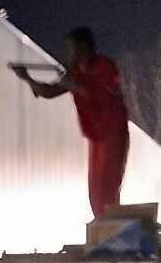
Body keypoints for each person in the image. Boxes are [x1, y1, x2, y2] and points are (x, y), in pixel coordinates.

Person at [10, 26, 131, 219]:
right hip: (97, 138)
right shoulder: (75, 73)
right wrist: (27, 78)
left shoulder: (104, 66)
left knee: (106, 189)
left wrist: (74, 85)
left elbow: (101, 95)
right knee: (96, 193)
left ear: (83, 47)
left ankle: (112, 228)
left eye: (70, 48)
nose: (67, 53)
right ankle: (106, 226)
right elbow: (49, 92)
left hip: (113, 135)